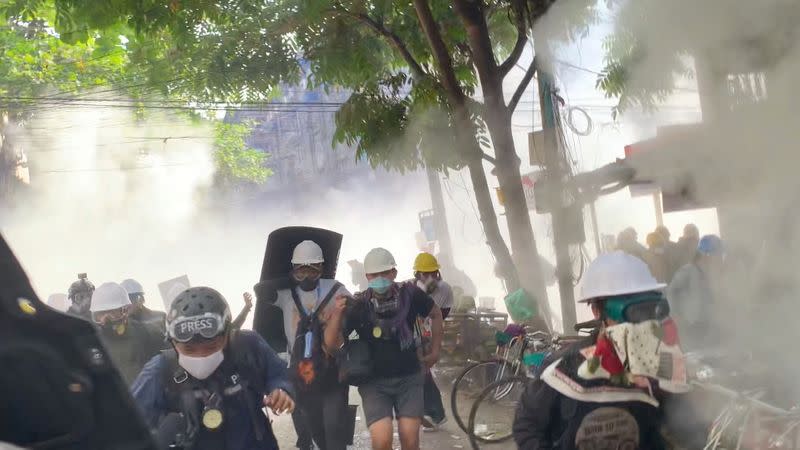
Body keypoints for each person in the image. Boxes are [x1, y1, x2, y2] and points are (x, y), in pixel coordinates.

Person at [513, 251, 687, 450]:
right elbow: (527, 425)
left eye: (648, 311)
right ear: (597, 311)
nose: (640, 325)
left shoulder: (660, 364)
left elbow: (674, 427)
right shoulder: (565, 367)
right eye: (632, 313)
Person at [131, 286, 294, 450]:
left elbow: (279, 373)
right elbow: (127, 424)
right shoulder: (160, 369)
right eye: (189, 349)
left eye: (210, 347)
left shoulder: (248, 346)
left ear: (227, 335)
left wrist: (281, 390)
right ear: (172, 342)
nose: (200, 356)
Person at [325, 247, 444, 450]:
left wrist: (435, 350)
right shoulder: (358, 306)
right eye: (374, 274)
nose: (380, 278)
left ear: (394, 273)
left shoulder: (411, 295)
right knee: (381, 441)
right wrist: (336, 314)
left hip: (409, 377)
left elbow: (436, 314)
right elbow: (330, 344)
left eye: (384, 273)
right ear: (367, 276)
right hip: (373, 382)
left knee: (409, 438)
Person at [273, 240, 352, 450]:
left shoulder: (337, 289)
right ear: (293, 271)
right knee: (316, 430)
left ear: (322, 269)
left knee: (335, 428)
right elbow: (260, 290)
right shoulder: (284, 295)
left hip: (332, 370)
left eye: (313, 271)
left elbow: (356, 317)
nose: (307, 278)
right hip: (302, 373)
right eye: (301, 272)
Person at [90, 282, 165, 385]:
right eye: (100, 314)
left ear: (126, 310)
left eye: (112, 312)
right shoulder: (92, 342)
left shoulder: (148, 333)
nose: (106, 319)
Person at [411, 252, 453, 431]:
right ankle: (432, 412)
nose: (430, 278)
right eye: (425, 274)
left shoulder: (445, 289)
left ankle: (433, 412)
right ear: (418, 274)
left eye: (433, 273)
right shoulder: (411, 290)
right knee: (419, 373)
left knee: (422, 372)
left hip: (428, 335)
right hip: (412, 335)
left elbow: (441, 315)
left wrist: (432, 337)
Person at [667, 234, 724, 350]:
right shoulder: (688, 270)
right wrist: (678, 317)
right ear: (706, 255)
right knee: (695, 354)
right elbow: (671, 291)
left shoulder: (709, 272)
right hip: (691, 325)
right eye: (717, 255)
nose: (719, 258)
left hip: (706, 323)